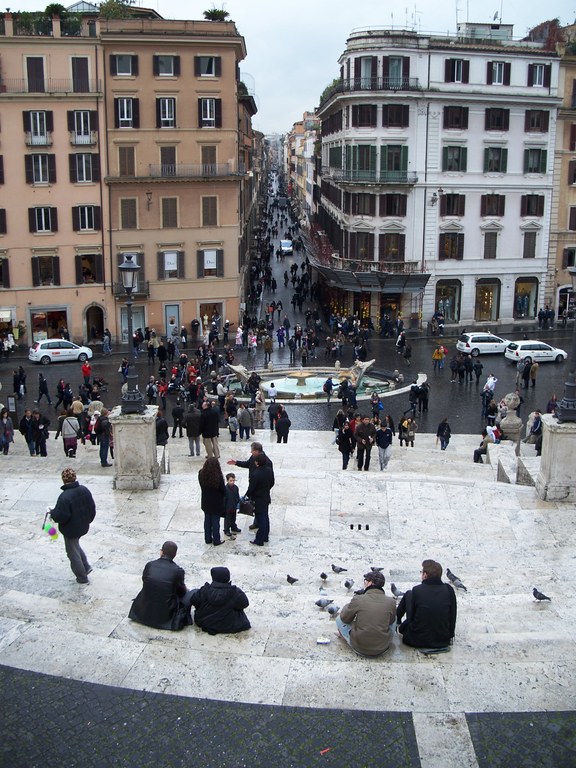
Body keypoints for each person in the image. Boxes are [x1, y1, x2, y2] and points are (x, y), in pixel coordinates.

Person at [128, 541, 193, 630]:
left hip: (143, 611)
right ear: (175, 555)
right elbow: (181, 592)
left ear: (161, 552)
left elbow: (145, 581)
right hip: (166, 614)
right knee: (189, 593)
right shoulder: (178, 571)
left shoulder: (150, 565)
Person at [396, 560, 457, 649]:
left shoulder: (417, 590)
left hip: (416, 640)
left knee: (408, 594)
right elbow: (453, 615)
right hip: (442, 640)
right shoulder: (449, 590)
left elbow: (411, 617)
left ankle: (397, 619)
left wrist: (404, 627)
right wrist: (449, 636)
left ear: (425, 575)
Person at [49, 468, 96, 584]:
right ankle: (86, 566)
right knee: (75, 546)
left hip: (71, 529)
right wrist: (87, 520)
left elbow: (60, 517)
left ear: (63, 480)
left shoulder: (64, 497)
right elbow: (92, 508)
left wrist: (52, 512)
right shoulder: (84, 490)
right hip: (83, 525)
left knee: (72, 552)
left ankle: (82, 577)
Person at [336, 570, 396, 657]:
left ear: (370, 583)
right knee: (394, 618)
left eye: (365, 581)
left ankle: (348, 638)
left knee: (338, 619)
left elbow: (344, 618)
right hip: (382, 648)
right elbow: (391, 622)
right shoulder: (391, 601)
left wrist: (349, 605)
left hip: (359, 647)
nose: (364, 583)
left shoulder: (359, 599)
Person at [190, 566, 250, 635]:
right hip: (230, 625)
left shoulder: (204, 590)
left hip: (205, 623)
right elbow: (245, 604)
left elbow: (194, 601)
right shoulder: (235, 592)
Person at [247, 452, 275, 547]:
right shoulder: (269, 470)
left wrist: (248, 495)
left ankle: (260, 539)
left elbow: (251, 488)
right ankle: (265, 536)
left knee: (261, 518)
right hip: (266, 497)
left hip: (258, 499)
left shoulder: (256, 474)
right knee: (265, 517)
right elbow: (272, 482)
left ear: (257, 462)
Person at [198, 456, 226, 546]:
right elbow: (223, 490)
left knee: (207, 521)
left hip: (206, 501)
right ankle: (216, 540)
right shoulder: (218, 477)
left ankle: (208, 539)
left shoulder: (201, 474)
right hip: (216, 503)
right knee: (215, 522)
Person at [224, 473, 242, 537]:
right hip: (227, 507)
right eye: (230, 481)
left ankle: (233, 527)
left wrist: (238, 502)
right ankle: (226, 530)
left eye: (233, 480)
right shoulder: (225, 489)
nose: (232, 482)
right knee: (227, 520)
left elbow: (237, 496)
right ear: (227, 481)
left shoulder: (236, 488)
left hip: (233, 506)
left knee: (233, 518)